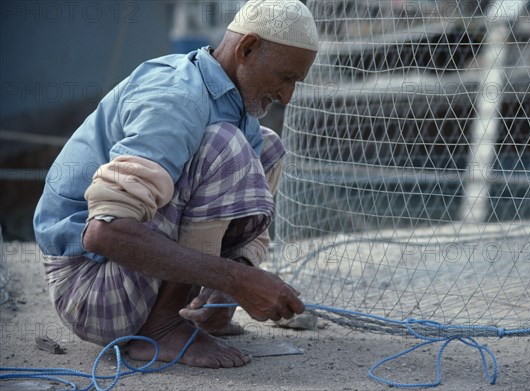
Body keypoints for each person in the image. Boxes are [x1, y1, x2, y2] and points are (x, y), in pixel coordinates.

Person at [33, 0, 318, 368]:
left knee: (267, 147)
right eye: (285, 77)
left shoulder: (231, 104)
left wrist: (225, 292)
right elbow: (104, 234)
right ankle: (162, 328)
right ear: (247, 49)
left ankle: (198, 309)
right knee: (224, 146)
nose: (286, 97)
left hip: (130, 284)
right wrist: (238, 278)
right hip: (89, 290)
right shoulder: (176, 97)